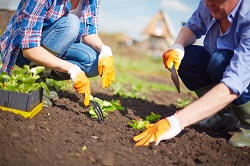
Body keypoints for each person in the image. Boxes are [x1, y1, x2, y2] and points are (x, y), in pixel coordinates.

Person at [133, 0, 250, 147]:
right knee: (189, 58)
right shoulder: (210, 4)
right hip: (224, 66)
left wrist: (175, 122)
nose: (210, 3)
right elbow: (192, 27)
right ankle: (224, 116)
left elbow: (236, 80)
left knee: (219, 62)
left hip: (244, 74)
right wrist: (178, 47)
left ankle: (248, 125)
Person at [0, 0, 115, 106]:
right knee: (72, 23)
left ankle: (42, 76)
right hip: (23, 51)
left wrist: (104, 50)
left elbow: (88, 32)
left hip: (57, 45)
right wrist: (72, 69)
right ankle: (34, 80)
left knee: (94, 62)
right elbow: (29, 49)